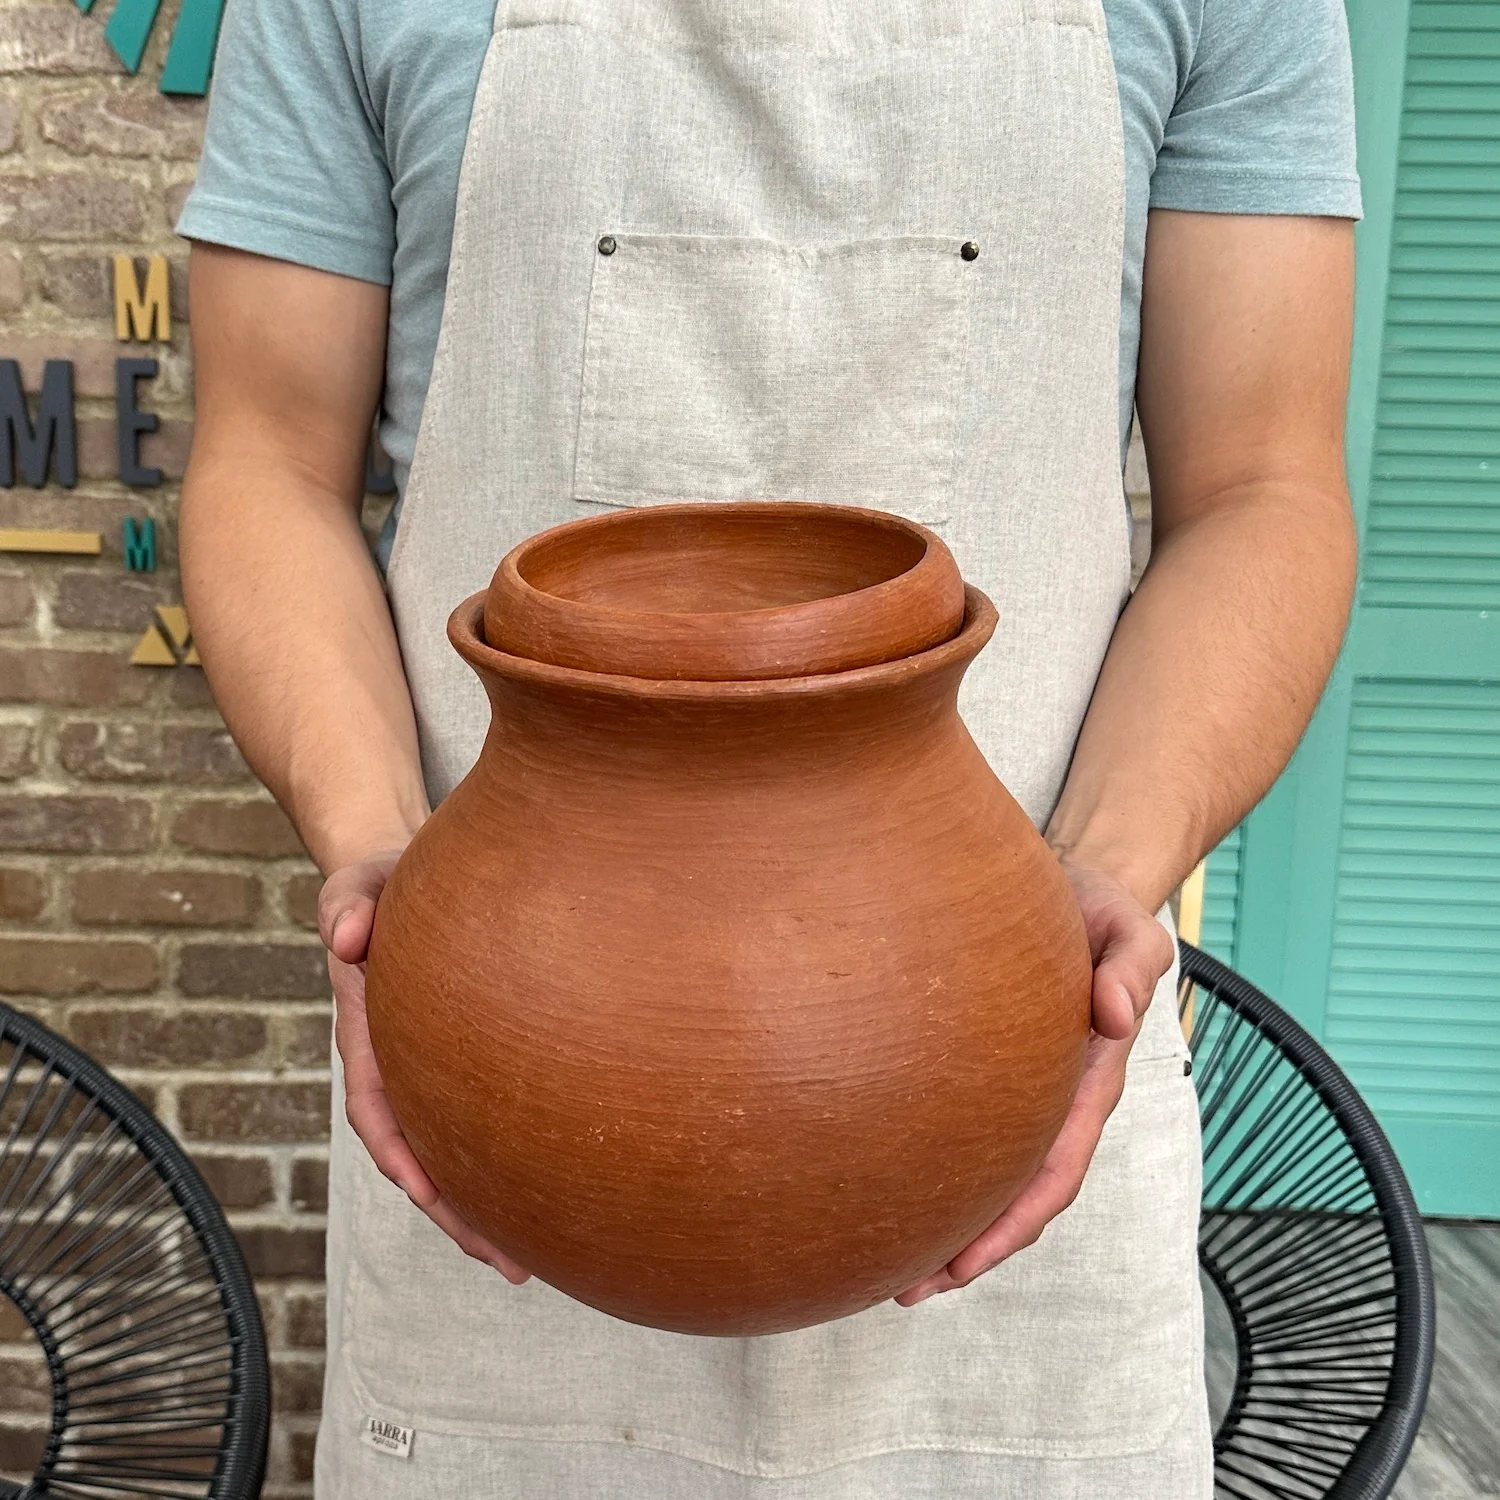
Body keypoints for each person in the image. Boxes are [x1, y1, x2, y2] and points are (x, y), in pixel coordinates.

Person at [177, 0, 1361, 1493]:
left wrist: (1113, 872)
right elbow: (267, 460)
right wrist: (368, 850)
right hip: (512, 1087)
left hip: (1021, 1060)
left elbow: (1261, 484)